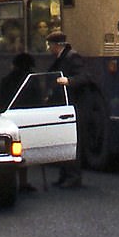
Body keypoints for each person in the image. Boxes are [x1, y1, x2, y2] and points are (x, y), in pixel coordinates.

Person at [46, 30, 91, 188]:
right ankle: (64, 174)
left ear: (57, 45)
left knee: (71, 140)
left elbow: (85, 77)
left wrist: (69, 81)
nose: (49, 49)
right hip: (63, 104)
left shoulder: (72, 57)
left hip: (74, 105)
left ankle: (73, 176)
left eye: (50, 45)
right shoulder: (60, 58)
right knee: (63, 139)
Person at [0, 52, 37, 192]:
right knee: (23, 151)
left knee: (10, 151)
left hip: (10, 117)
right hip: (28, 117)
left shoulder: (7, 80)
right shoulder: (32, 80)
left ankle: (6, 181)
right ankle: (23, 182)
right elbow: (38, 100)